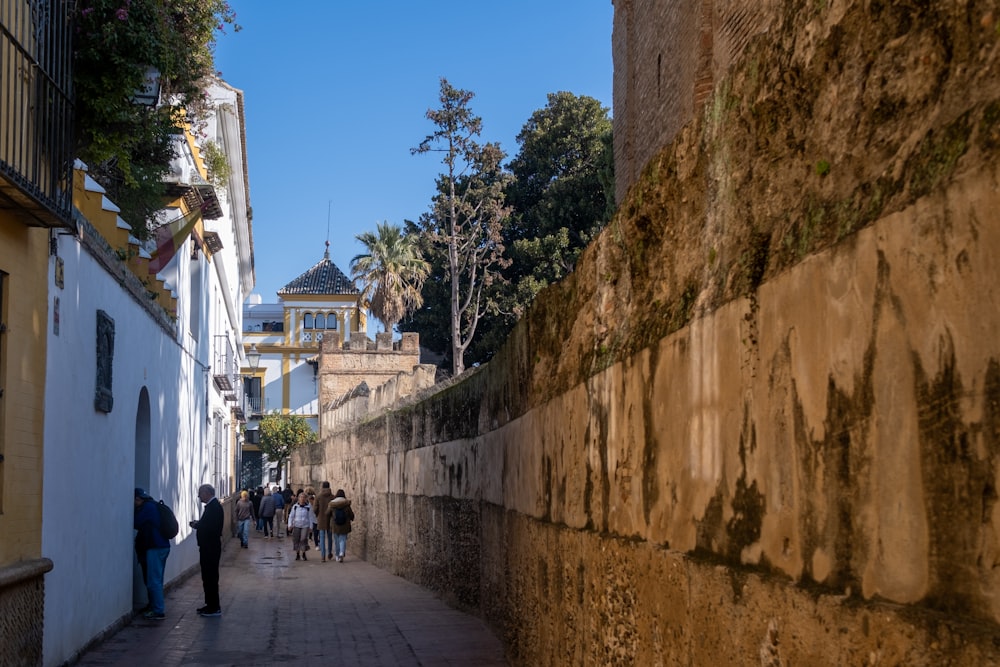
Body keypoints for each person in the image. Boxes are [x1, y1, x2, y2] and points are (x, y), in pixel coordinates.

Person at [134, 488, 170, 620]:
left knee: (153, 580)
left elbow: (136, 522)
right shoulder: (153, 505)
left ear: (138, 499)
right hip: (162, 546)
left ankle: (158, 610)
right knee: (157, 579)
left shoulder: (148, 508)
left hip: (155, 547)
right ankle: (154, 606)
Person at [190, 483, 224, 617]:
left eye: (200, 493)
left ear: (207, 493)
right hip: (208, 547)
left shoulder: (214, 507)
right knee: (207, 577)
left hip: (210, 548)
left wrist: (198, 526)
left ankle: (214, 607)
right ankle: (210, 604)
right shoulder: (212, 507)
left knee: (210, 577)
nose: (199, 496)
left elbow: (212, 528)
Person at [328, 489, 355, 563]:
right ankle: (342, 552)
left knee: (336, 541)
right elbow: (351, 515)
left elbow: (327, 513)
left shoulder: (332, 504)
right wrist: (351, 518)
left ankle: (337, 556)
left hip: (335, 525)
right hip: (344, 525)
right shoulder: (346, 504)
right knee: (342, 539)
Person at [313, 481, 335, 562]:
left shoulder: (318, 497)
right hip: (330, 519)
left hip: (321, 518)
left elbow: (315, 508)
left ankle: (323, 556)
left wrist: (317, 514)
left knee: (321, 537)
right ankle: (329, 553)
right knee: (329, 537)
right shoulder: (332, 497)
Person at [287, 491, 312, 561]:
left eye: (304, 497)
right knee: (296, 539)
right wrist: (290, 525)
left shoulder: (308, 507)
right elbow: (291, 516)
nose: (302, 499)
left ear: (306, 499)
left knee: (303, 539)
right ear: (298, 498)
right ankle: (297, 553)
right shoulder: (295, 507)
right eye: (301, 497)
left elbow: (311, 517)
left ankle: (303, 553)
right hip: (297, 525)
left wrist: (311, 527)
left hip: (305, 525)